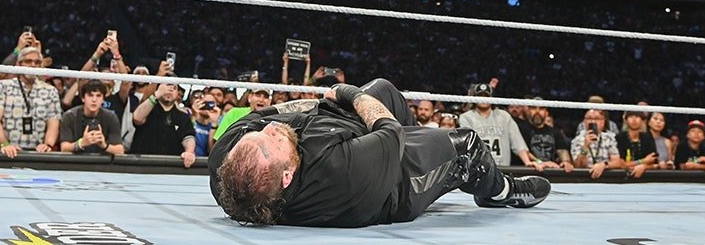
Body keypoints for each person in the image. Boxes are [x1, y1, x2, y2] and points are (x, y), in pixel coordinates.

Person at [208, 78, 550, 227]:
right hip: (393, 182)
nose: (271, 129)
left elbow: (267, 116)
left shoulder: (227, 162)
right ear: (287, 177)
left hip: (338, 132)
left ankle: (423, 143)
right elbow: (389, 131)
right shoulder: (339, 175)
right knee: (467, 146)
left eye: (257, 135)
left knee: (384, 88)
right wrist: (351, 94)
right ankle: (501, 191)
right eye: (274, 141)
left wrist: (320, 103)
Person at [457, 83, 545, 170]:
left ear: (492, 98)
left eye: (486, 96)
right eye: (480, 95)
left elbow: (517, 143)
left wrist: (527, 161)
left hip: (502, 168)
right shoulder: (466, 117)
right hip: (479, 170)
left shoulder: (504, 116)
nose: (483, 98)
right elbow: (468, 146)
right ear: (474, 98)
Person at [0, 46, 62, 157]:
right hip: (7, 152)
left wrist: (47, 145)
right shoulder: (3, 87)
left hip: (37, 153)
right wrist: (5, 144)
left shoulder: (50, 91)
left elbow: (53, 123)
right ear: (19, 64)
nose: (33, 65)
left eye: (37, 62)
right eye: (28, 61)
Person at [127, 81, 195, 167]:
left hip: (170, 167)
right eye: (167, 85)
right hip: (141, 164)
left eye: (174, 88)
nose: (170, 89)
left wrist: (189, 152)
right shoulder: (148, 108)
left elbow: (188, 137)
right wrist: (156, 95)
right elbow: (137, 118)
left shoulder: (183, 117)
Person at [59, 81, 125, 156]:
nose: (94, 100)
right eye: (90, 95)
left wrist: (104, 145)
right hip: (76, 161)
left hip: (102, 162)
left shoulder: (111, 117)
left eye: (98, 96)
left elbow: (120, 150)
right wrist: (81, 143)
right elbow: (64, 148)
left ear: (103, 100)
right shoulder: (69, 116)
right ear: (83, 98)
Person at [516, 101, 573, 172]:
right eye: (534, 108)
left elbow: (562, 151)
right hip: (529, 171)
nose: (537, 112)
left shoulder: (555, 132)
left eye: (541, 109)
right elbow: (522, 150)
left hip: (551, 171)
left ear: (546, 113)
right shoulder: (520, 129)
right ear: (528, 111)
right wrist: (540, 162)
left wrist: (566, 162)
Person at [569, 109, 621, 179]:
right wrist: (585, 146)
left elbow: (617, 162)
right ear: (584, 122)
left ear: (603, 122)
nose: (593, 121)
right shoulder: (577, 140)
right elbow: (578, 166)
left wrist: (603, 165)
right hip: (584, 178)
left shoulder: (610, 138)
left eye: (597, 118)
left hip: (606, 178)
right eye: (589, 118)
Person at [615, 110, 660, 178]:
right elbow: (621, 164)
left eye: (637, 116)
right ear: (625, 121)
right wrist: (643, 161)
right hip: (622, 177)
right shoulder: (619, 138)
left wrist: (644, 166)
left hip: (645, 178)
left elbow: (655, 164)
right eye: (631, 116)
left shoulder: (648, 138)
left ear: (642, 121)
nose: (634, 120)